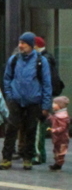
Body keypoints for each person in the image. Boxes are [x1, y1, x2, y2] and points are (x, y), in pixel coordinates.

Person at [0, 32, 52, 170]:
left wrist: (46, 105)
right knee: (11, 129)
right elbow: (7, 78)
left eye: (24, 43)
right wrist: (10, 95)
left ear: (31, 45)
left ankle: (28, 158)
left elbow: (47, 83)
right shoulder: (14, 60)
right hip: (16, 100)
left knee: (30, 129)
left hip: (33, 101)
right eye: (20, 42)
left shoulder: (41, 61)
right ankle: (6, 158)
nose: (20, 46)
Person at [32, 36, 64, 164]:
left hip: (41, 98)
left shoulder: (42, 60)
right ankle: (39, 153)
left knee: (39, 126)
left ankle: (38, 154)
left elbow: (46, 83)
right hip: (44, 97)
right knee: (40, 125)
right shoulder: (48, 58)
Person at [48, 95, 69, 171]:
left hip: (62, 137)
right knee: (56, 149)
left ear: (60, 105)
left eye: (55, 103)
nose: (53, 105)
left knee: (60, 150)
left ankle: (58, 164)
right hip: (57, 137)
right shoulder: (57, 114)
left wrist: (55, 130)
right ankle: (57, 163)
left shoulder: (62, 116)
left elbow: (63, 127)